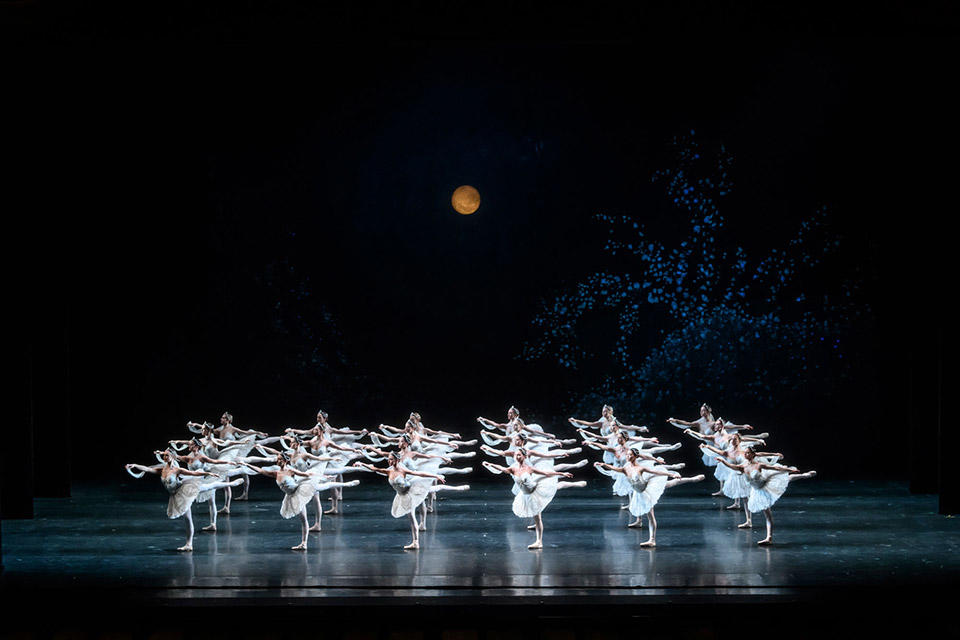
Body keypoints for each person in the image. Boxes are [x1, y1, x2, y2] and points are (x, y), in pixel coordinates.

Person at [125, 449, 244, 551]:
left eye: (166, 455)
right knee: (188, 517)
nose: (164, 457)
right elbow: (146, 469)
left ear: (171, 456)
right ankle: (189, 544)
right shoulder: (162, 469)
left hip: (183, 491)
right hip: (175, 495)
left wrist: (208, 473)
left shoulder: (176, 470)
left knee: (207, 487)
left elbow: (193, 473)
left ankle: (231, 483)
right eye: (164, 455)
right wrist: (135, 465)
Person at [241, 453, 360, 550]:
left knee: (321, 486)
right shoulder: (275, 473)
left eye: (280, 460)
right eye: (277, 460)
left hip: (301, 489)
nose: (278, 462)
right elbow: (260, 470)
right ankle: (304, 543)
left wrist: (322, 477)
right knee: (303, 519)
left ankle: (347, 484)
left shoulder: (291, 470)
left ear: (285, 461)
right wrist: (246, 464)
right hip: (292, 496)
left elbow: (305, 474)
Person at [353, 452, 470, 550]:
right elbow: (374, 468)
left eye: (391, 459)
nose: (389, 461)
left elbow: (419, 473)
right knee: (413, 515)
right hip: (401, 494)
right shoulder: (389, 471)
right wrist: (361, 463)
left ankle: (458, 488)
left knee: (429, 494)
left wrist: (436, 476)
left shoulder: (402, 470)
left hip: (411, 492)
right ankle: (416, 542)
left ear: (397, 460)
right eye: (388, 459)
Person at [595, 449, 705, 546]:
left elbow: (655, 471)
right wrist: (603, 464)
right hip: (639, 491)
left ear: (636, 456)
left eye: (630, 455)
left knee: (651, 514)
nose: (628, 457)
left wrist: (671, 474)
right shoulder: (626, 467)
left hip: (646, 491)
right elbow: (615, 468)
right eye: (627, 455)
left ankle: (652, 539)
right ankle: (639, 522)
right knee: (667, 486)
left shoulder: (640, 468)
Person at [482, 447, 586, 549]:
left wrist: (561, 473)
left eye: (519, 455)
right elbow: (502, 469)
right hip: (525, 495)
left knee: (539, 516)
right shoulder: (513, 469)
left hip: (536, 492)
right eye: (515, 455)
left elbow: (546, 473)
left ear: (524, 456)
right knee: (538, 512)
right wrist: (491, 464)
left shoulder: (528, 468)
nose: (516, 457)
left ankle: (539, 542)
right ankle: (574, 484)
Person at [713, 446, 816, 545]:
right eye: (745, 452)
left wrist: (789, 470)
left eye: (748, 453)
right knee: (766, 511)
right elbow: (732, 466)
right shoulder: (742, 466)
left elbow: (775, 467)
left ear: (753, 455)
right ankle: (762, 532)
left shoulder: (758, 465)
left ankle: (805, 475)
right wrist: (723, 461)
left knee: (786, 478)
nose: (745, 454)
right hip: (757, 491)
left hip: (766, 484)